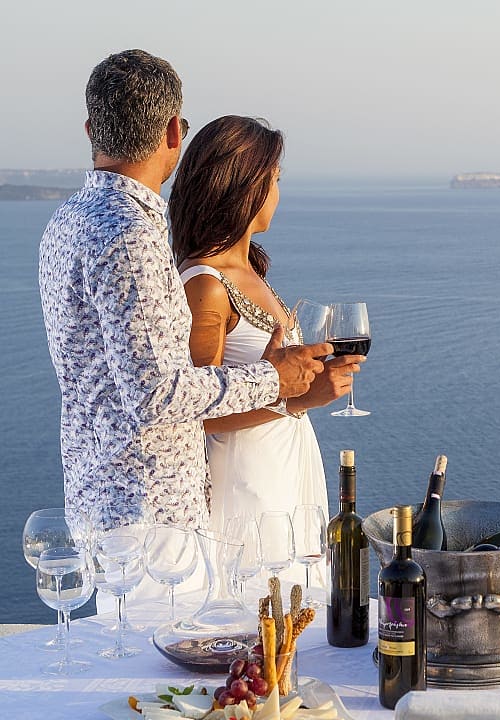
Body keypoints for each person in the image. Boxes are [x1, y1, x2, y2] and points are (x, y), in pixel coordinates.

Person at [38, 50, 332, 540]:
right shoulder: (130, 234)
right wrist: (277, 380)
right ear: (175, 132)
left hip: (100, 501)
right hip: (153, 512)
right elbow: (158, 393)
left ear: (92, 131)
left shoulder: (67, 222)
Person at [168, 115, 362, 592]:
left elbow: (274, 372)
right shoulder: (206, 286)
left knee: (297, 594)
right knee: (261, 599)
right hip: (246, 474)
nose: (278, 193)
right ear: (244, 188)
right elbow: (197, 415)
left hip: (283, 457)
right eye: (274, 180)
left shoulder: (248, 268)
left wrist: (309, 380)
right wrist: (296, 401)